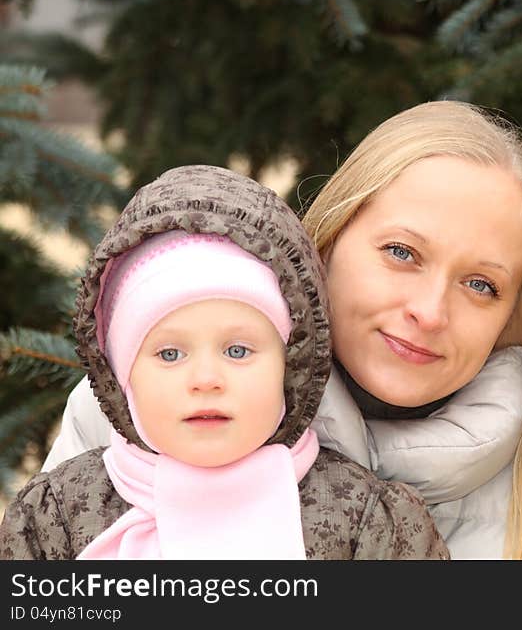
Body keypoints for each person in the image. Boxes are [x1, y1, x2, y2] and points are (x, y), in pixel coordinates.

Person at [39, 101, 522, 559]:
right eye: (402, 252)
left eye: (480, 285)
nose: (430, 310)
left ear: (513, 312)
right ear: (330, 239)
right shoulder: (135, 412)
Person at [0, 164, 449, 560]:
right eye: (169, 354)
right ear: (123, 377)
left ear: (291, 366)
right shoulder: (55, 518)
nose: (206, 379)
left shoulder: (366, 524)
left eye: (238, 351)